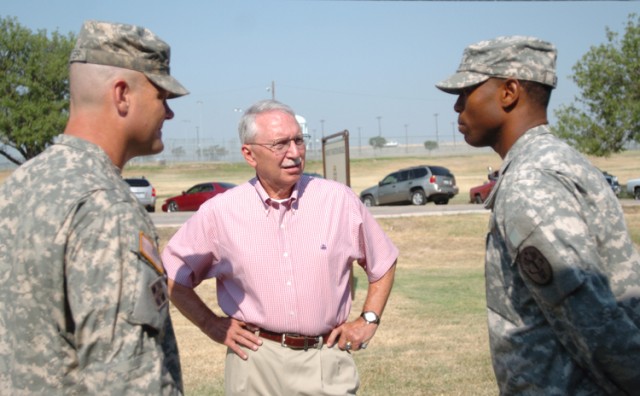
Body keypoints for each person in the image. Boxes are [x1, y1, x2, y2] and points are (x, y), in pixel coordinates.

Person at [436, 35, 640, 394]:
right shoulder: (559, 160)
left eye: (466, 91)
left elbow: (593, 321)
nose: (457, 107)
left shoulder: (530, 183)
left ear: (509, 92)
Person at [0, 20, 188, 394]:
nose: (169, 114)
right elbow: (128, 380)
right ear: (122, 94)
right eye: (161, 97)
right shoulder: (107, 206)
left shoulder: (19, 186)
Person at [162, 99, 398, 395]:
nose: (295, 153)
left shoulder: (339, 201)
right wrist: (210, 324)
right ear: (249, 154)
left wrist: (369, 319)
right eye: (280, 144)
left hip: (326, 360)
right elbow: (172, 275)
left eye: (299, 140)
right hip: (256, 363)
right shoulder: (220, 213)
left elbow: (383, 262)